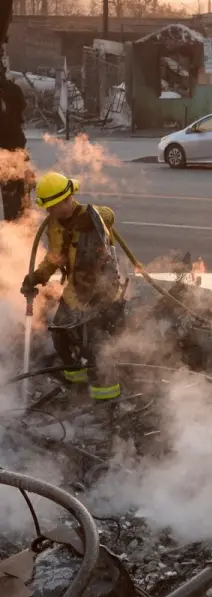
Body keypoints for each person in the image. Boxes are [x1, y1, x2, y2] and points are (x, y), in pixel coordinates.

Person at [21, 172, 128, 403]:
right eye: (50, 207)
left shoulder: (92, 217)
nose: (55, 210)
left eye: (59, 204)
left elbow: (109, 215)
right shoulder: (53, 226)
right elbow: (54, 258)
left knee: (97, 345)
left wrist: (93, 216)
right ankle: (76, 379)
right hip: (76, 290)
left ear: (69, 197)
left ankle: (107, 395)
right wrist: (37, 276)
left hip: (102, 291)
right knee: (61, 334)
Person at [0, 72, 29, 221]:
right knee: (14, 201)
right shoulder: (13, 90)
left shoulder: (11, 91)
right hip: (12, 149)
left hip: (11, 150)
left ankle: (18, 230)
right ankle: (18, 230)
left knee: (14, 197)